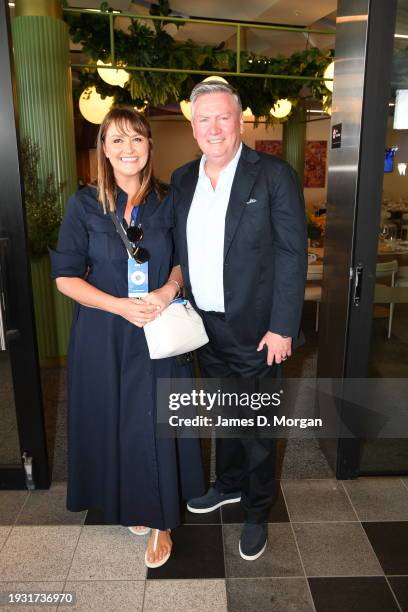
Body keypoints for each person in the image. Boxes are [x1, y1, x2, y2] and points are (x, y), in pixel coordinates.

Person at [50, 107, 204, 569]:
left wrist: (167, 289)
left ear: (149, 146)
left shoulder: (169, 200)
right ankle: (131, 501)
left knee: (157, 419)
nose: (128, 149)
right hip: (105, 332)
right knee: (117, 419)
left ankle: (162, 521)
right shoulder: (84, 205)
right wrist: (119, 305)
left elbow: (181, 260)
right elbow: (65, 277)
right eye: (116, 140)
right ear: (103, 149)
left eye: (136, 138)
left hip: (158, 326)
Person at [171, 81, 307, 561]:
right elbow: (173, 246)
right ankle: (227, 485)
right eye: (203, 118)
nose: (214, 127)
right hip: (206, 328)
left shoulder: (272, 174)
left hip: (258, 331)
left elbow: (292, 255)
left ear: (240, 120)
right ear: (193, 126)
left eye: (223, 117)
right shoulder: (184, 177)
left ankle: (256, 510)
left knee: (257, 426)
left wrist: (283, 326)